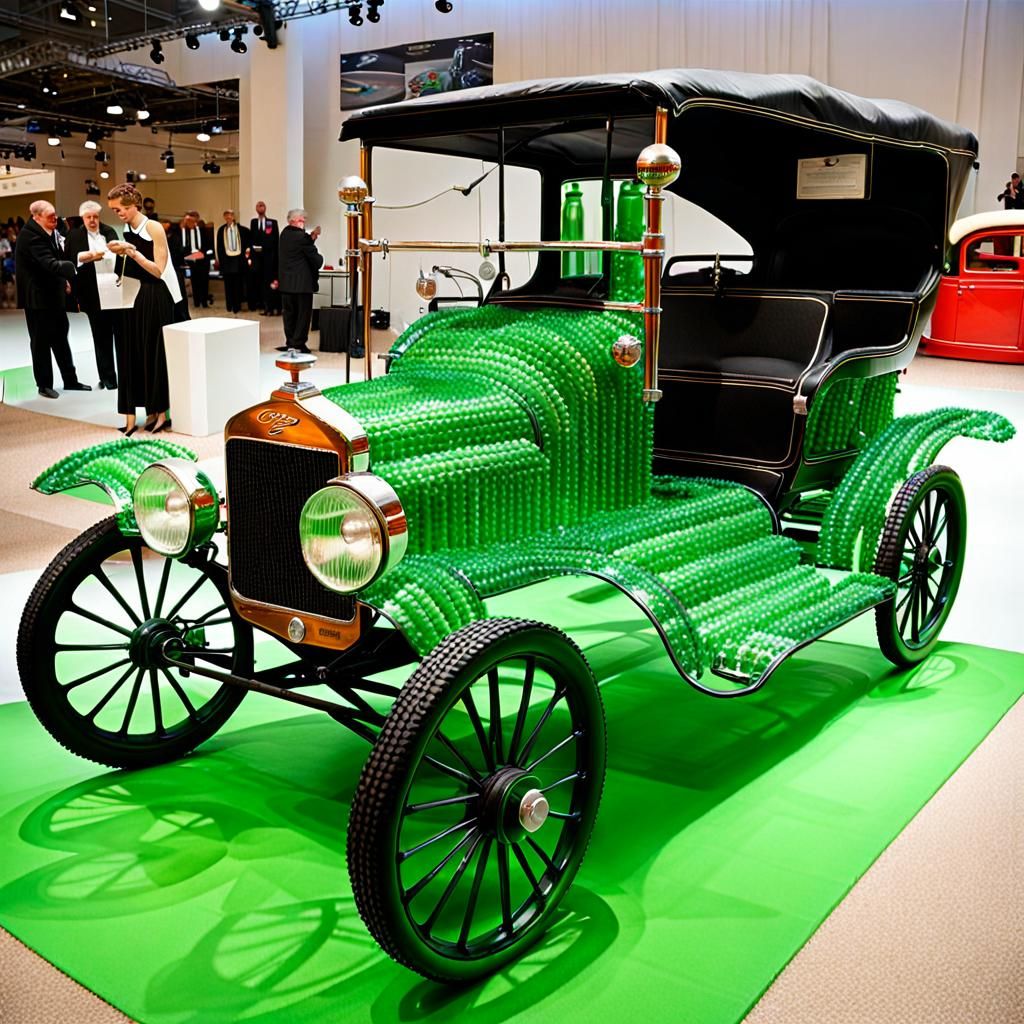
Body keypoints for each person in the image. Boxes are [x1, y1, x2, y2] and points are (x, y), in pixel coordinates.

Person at [106, 183, 175, 434]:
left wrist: (131, 253)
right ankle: (149, 411)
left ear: (133, 205)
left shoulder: (153, 227)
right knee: (138, 352)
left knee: (154, 353)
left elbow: (158, 270)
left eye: (119, 209)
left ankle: (160, 412)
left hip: (156, 295)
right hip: (136, 295)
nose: (118, 214)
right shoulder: (128, 228)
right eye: (114, 210)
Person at [15, 199, 89, 399]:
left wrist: (62, 280)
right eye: (49, 216)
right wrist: (73, 266)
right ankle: (44, 385)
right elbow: (48, 263)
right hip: (38, 299)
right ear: (36, 217)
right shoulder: (31, 236)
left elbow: (53, 260)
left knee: (61, 338)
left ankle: (70, 380)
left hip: (52, 296)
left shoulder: (48, 231)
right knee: (40, 342)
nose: (55, 218)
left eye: (55, 214)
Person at [65, 200, 123, 391]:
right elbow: (70, 260)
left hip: (113, 290)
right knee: (100, 336)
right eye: (88, 217)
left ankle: (124, 375)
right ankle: (108, 378)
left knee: (120, 335)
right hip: (90, 292)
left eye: (95, 217)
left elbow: (118, 256)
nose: (92, 220)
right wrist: (88, 256)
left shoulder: (109, 232)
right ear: (82, 218)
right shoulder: (74, 235)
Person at [278, 208, 323, 353]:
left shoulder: (284, 234)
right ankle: (299, 344)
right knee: (303, 316)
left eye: (304, 220)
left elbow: (300, 246)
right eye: (300, 220)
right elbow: (315, 260)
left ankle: (290, 342)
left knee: (289, 315)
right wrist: (318, 254)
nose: (303, 222)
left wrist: (311, 238)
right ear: (292, 221)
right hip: (302, 284)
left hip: (287, 283)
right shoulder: (301, 237)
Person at [169, 211, 210, 310]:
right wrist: (183, 228)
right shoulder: (182, 231)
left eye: (194, 220)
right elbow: (180, 244)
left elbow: (208, 244)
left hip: (202, 259)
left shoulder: (202, 230)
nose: (192, 222)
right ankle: (196, 302)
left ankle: (204, 302)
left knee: (204, 281)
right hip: (190, 260)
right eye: (189, 220)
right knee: (194, 281)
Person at [247, 200, 281, 315]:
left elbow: (275, 240)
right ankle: (264, 306)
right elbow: (252, 238)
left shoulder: (271, 223)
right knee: (260, 283)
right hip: (257, 259)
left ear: (265, 208)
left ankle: (272, 307)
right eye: (258, 205)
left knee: (270, 283)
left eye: (262, 205)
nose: (260, 207)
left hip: (269, 259)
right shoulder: (254, 222)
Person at [215, 209, 250, 314]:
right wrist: (221, 262)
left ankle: (237, 306)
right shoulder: (221, 230)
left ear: (234, 217)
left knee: (238, 285)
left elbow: (246, 244)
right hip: (227, 261)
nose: (229, 217)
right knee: (228, 285)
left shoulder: (242, 230)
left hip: (238, 261)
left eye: (230, 215)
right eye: (226, 215)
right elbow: (219, 247)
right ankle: (229, 305)